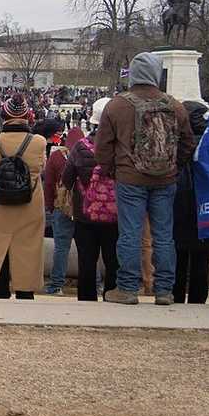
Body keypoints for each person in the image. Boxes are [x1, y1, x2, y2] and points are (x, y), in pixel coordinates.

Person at [98, 53, 195, 306]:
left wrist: (112, 170)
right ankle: (164, 290)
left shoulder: (117, 106)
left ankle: (128, 288)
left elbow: (103, 148)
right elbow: (187, 143)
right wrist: (174, 167)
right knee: (164, 235)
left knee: (130, 234)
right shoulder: (175, 105)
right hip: (165, 179)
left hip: (129, 178)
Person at [0, 96, 46, 300]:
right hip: (29, 202)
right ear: (27, 117)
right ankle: (25, 291)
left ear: (3, 116)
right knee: (28, 248)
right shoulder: (39, 142)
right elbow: (43, 168)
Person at [62, 106, 118, 301]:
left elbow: (67, 179)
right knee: (113, 260)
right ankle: (112, 294)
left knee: (87, 260)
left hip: (84, 214)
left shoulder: (79, 147)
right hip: (114, 213)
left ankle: (87, 298)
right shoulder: (121, 147)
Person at [171, 101, 208, 303]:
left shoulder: (178, 143)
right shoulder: (208, 143)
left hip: (180, 203)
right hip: (204, 206)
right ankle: (198, 299)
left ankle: (176, 296)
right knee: (201, 259)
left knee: (178, 256)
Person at [40, 119, 76, 295]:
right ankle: (95, 283)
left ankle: (56, 285)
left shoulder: (56, 156)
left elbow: (48, 184)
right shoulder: (94, 153)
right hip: (86, 208)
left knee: (61, 247)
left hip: (62, 206)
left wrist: (49, 206)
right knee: (88, 248)